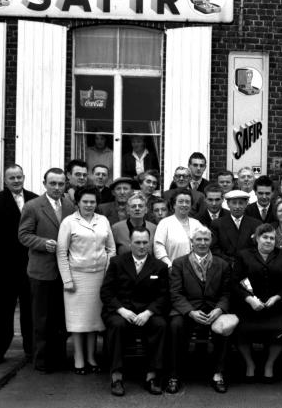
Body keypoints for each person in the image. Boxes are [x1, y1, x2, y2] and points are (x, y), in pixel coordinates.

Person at [100, 226, 169, 396]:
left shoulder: (159, 266)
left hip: (147, 312)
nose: (142, 246)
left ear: (150, 243)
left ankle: (151, 376)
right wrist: (122, 311)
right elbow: (106, 292)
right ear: (130, 243)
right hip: (122, 311)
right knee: (117, 326)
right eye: (137, 242)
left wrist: (148, 313)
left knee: (160, 325)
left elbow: (163, 296)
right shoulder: (117, 262)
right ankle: (117, 377)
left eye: (145, 242)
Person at [18, 168, 76, 372]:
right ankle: (41, 361)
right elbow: (23, 235)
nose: (57, 188)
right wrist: (43, 243)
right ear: (44, 184)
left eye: (61, 184)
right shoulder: (33, 206)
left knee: (60, 318)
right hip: (41, 271)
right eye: (53, 183)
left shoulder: (69, 205)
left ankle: (59, 358)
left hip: (64, 271)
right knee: (42, 318)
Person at [0, 164, 38, 364]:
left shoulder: (35, 199)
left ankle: (31, 349)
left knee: (30, 310)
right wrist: (0, 252)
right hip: (4, 267)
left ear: (24, 177)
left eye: (19, 177)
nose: (16, 181)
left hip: (30, 265)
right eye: (12, 178)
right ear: (5, 180)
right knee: (3, 310)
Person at [167, 226, 234, 394]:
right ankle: (174, 375)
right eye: (198, 239)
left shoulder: (222, 264)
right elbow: (175, 293)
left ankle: (218, 374)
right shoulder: (179, 263)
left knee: (226, 328)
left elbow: (227, 293)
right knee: (175, 326)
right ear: (192, 242)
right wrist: (190, 312)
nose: (202, 243)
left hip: (213, 310)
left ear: (211, 242)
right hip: (188, 310)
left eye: (206, 240)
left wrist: (219, 309)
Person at [57, 185, 115, 375]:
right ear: (78, 203)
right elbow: (61, 252)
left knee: (93, 322)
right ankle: (79, 358)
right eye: (85, 202)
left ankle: (91, 357)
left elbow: (111, 249)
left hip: (99, 277)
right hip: (76, 277)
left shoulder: (103, 220)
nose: (89, 205)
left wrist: (107, 276)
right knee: (77, 323)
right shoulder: (69, 222)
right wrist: (67, 279)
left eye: (93, 202)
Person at [233, 223, 282, 382]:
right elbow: (234, 282)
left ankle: (269, 364)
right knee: (241, 329)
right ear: (257, 239)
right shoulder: (243, 255)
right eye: (265, 237)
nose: (268, 241)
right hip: (249, 307)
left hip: (275, 307)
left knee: (280, 329)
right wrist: (249, 299)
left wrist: (277, 297)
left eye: (272, 238)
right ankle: (250, 364)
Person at [153, 189, 204, 268]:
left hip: (195, 270)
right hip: (171, 269)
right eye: (180, 201)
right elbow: (158, 248)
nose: (184, 204)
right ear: (174, 205)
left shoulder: (197, 224)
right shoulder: (165, 223)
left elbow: (204, 245)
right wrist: (169, 265)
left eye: (187, 202)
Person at [211, 190, 261, 267]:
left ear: (246, 204)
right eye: (234, 203)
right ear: (228, 204)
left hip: (248, 266)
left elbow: (257, 248)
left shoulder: (256, 224)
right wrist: (228, 262)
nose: (237, 207)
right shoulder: (217, 224)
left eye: (241, 203)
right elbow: (214, 248)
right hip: (225, 266)